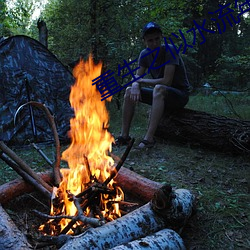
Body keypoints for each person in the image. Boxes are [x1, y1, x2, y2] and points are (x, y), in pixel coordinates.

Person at [115, 21, 191, 148]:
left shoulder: (170, 51)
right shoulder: (144, 54)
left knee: (159, 88)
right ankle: (124, 136)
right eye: (150, 40)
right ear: (144, 41)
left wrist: (140, 81)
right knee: (128, 91)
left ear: (161, 37)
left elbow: (167, 81)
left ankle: (149, 139)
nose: (154, 43)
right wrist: (134, 85)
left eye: (157, 39)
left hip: (179, 95)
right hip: (160, 95)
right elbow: (137, 77)